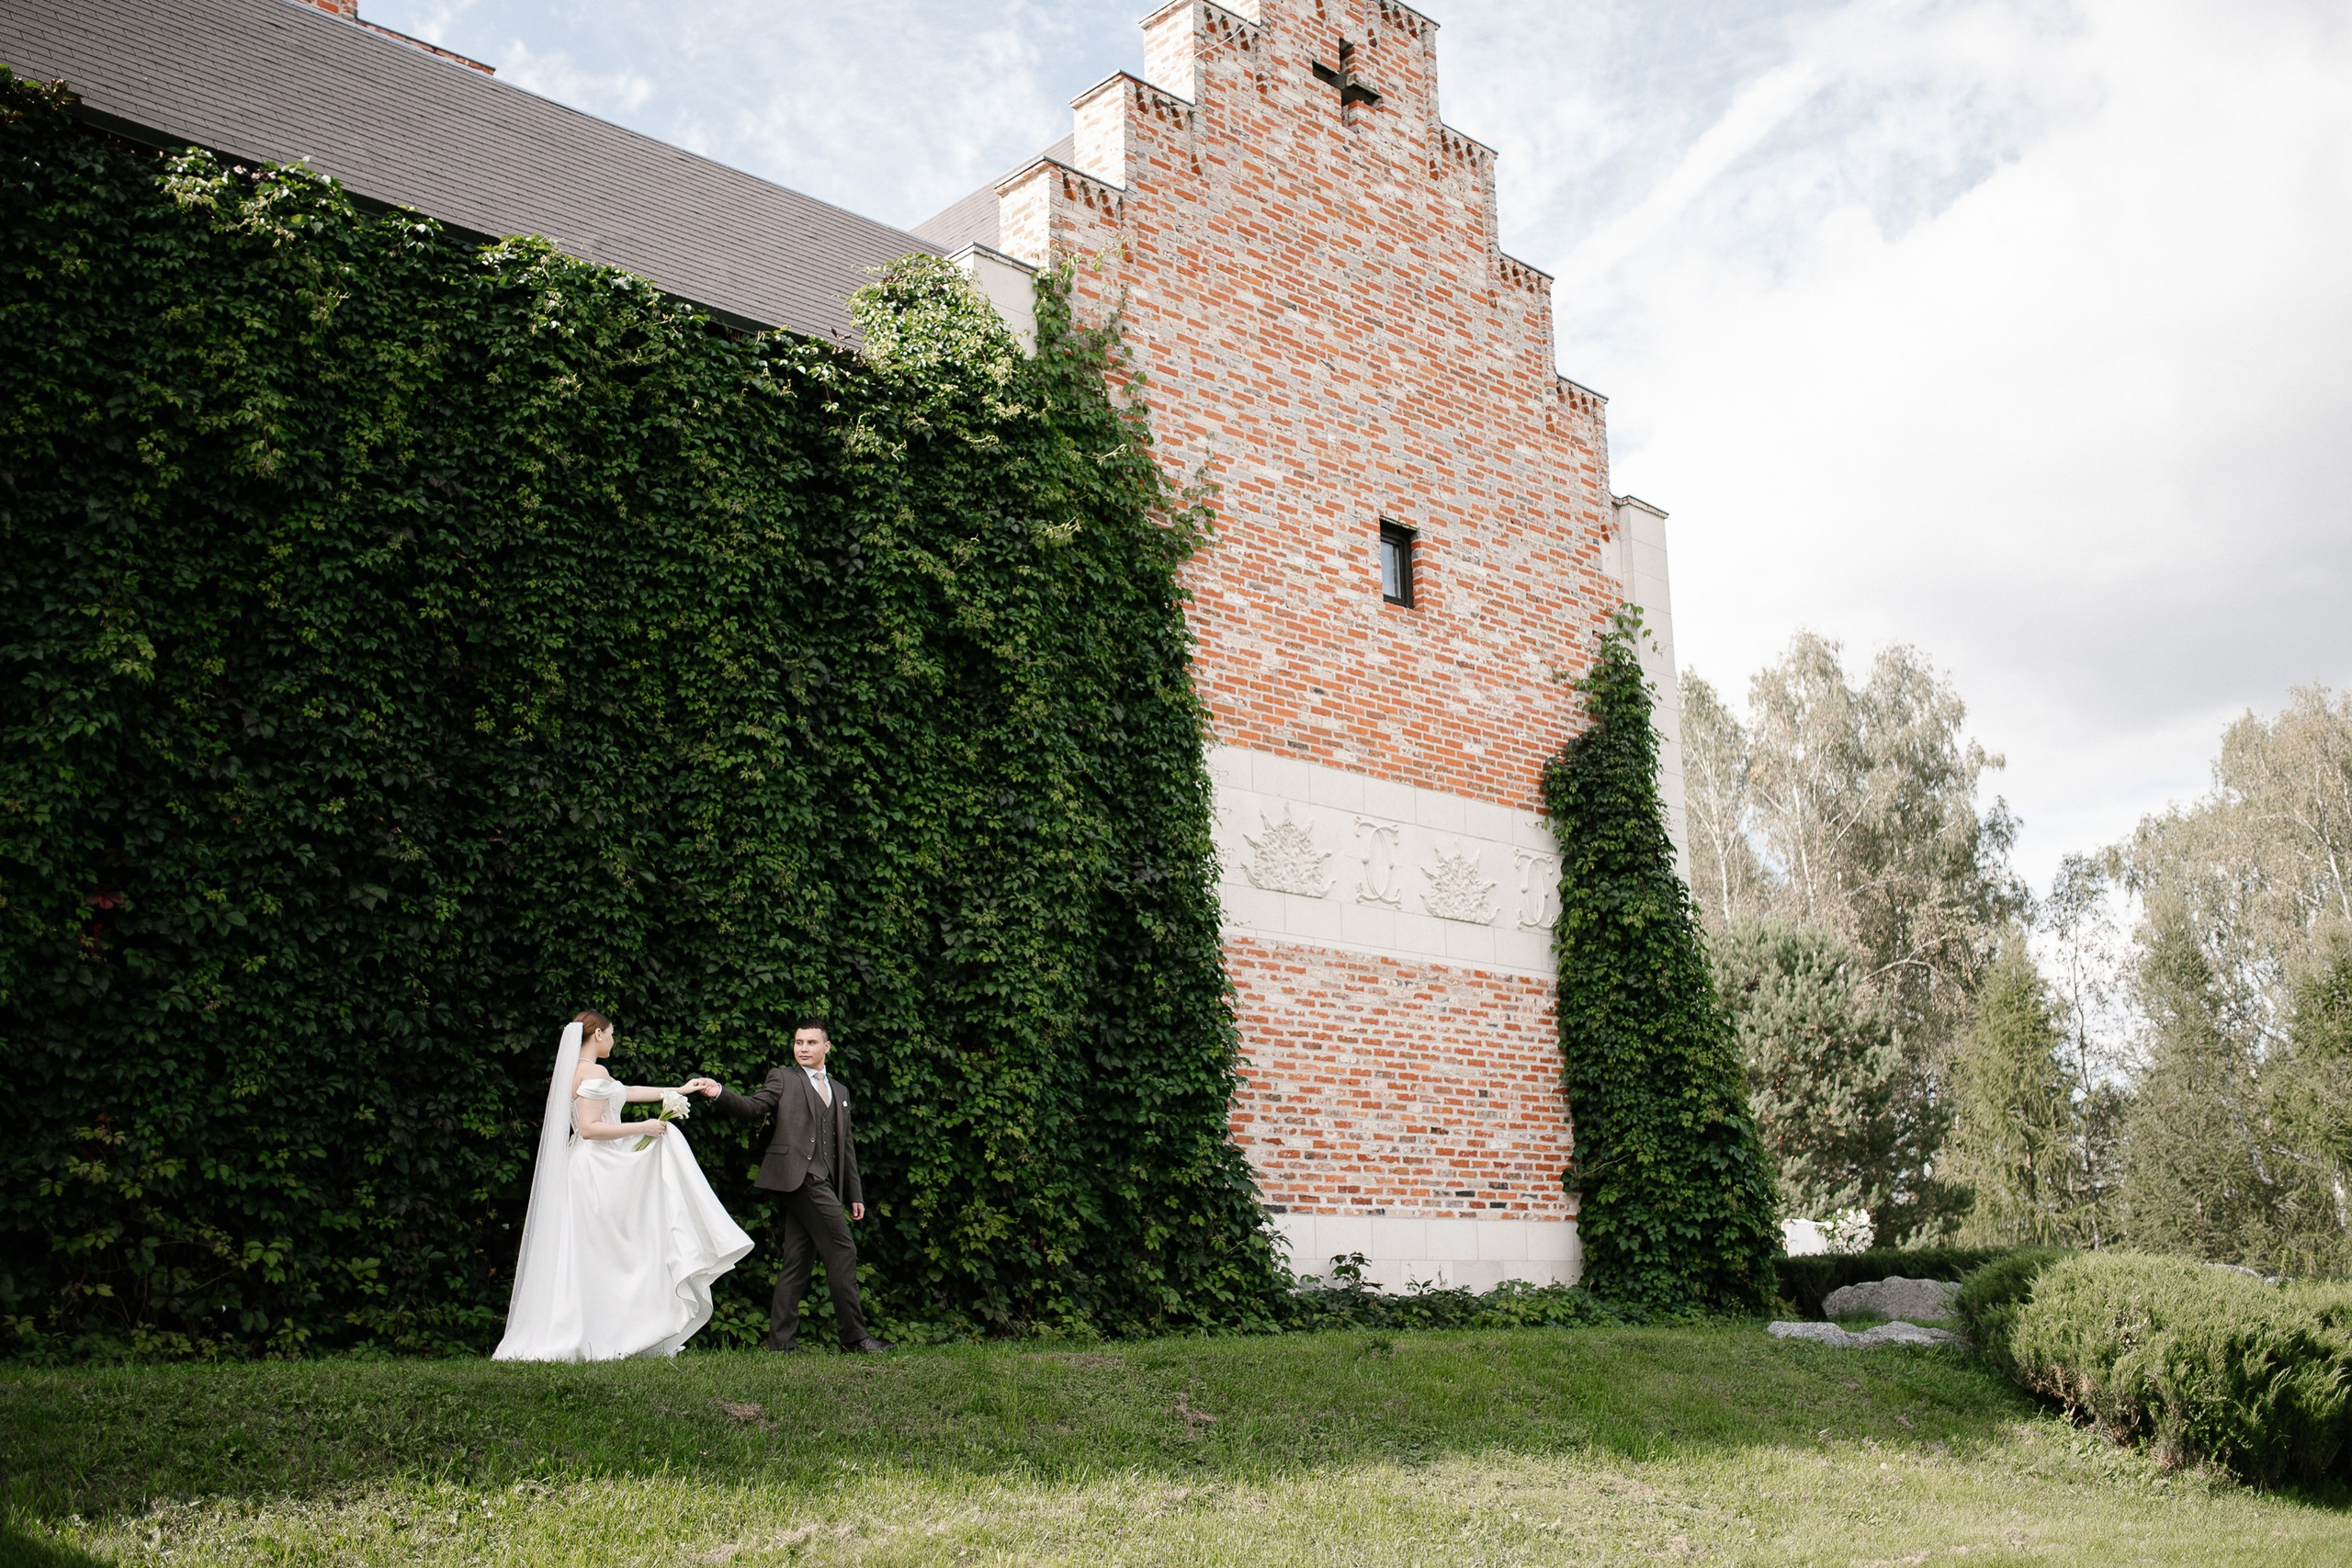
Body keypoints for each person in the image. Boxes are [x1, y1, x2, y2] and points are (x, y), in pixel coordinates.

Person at [493, 1010, 753, 1361]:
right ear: (597, 1035)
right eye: (612, 1034)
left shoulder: (576, 1071)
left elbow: (624, 1092)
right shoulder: (593, 1071)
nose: (613, 1041)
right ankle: (605, 1333)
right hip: (596, 1168)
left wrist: (676, 1090)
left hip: (585, 1166)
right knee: (608, 1252)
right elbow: (589, 1128)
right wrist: (642, 1128)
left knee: (591, 1254)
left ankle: (597, 1330)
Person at [686, 1016, 890, 1353]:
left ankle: (781, 1344)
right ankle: (854, 1339)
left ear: (827, 1046)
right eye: (799, 1042)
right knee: (843, 1249)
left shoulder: (840, 1091)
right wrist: (718, 1091)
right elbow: (753, 1107)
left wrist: (854, 1194)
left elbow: (846, 1146)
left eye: (811, 1043)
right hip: (798, 1177)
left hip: (823, 1180)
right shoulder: (783, 1078)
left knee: (797, 1260)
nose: (803, 1048)